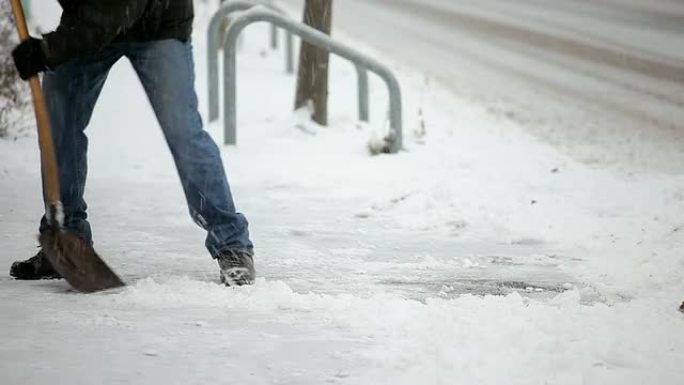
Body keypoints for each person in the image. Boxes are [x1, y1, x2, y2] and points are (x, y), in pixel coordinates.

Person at [9, 0, 255, 286]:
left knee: (184, 132)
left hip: (157, 24)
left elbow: (114, 9)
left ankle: (232, 244)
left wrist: (47, 51)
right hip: (89, 22)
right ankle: (66, 236)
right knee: (57, 124)